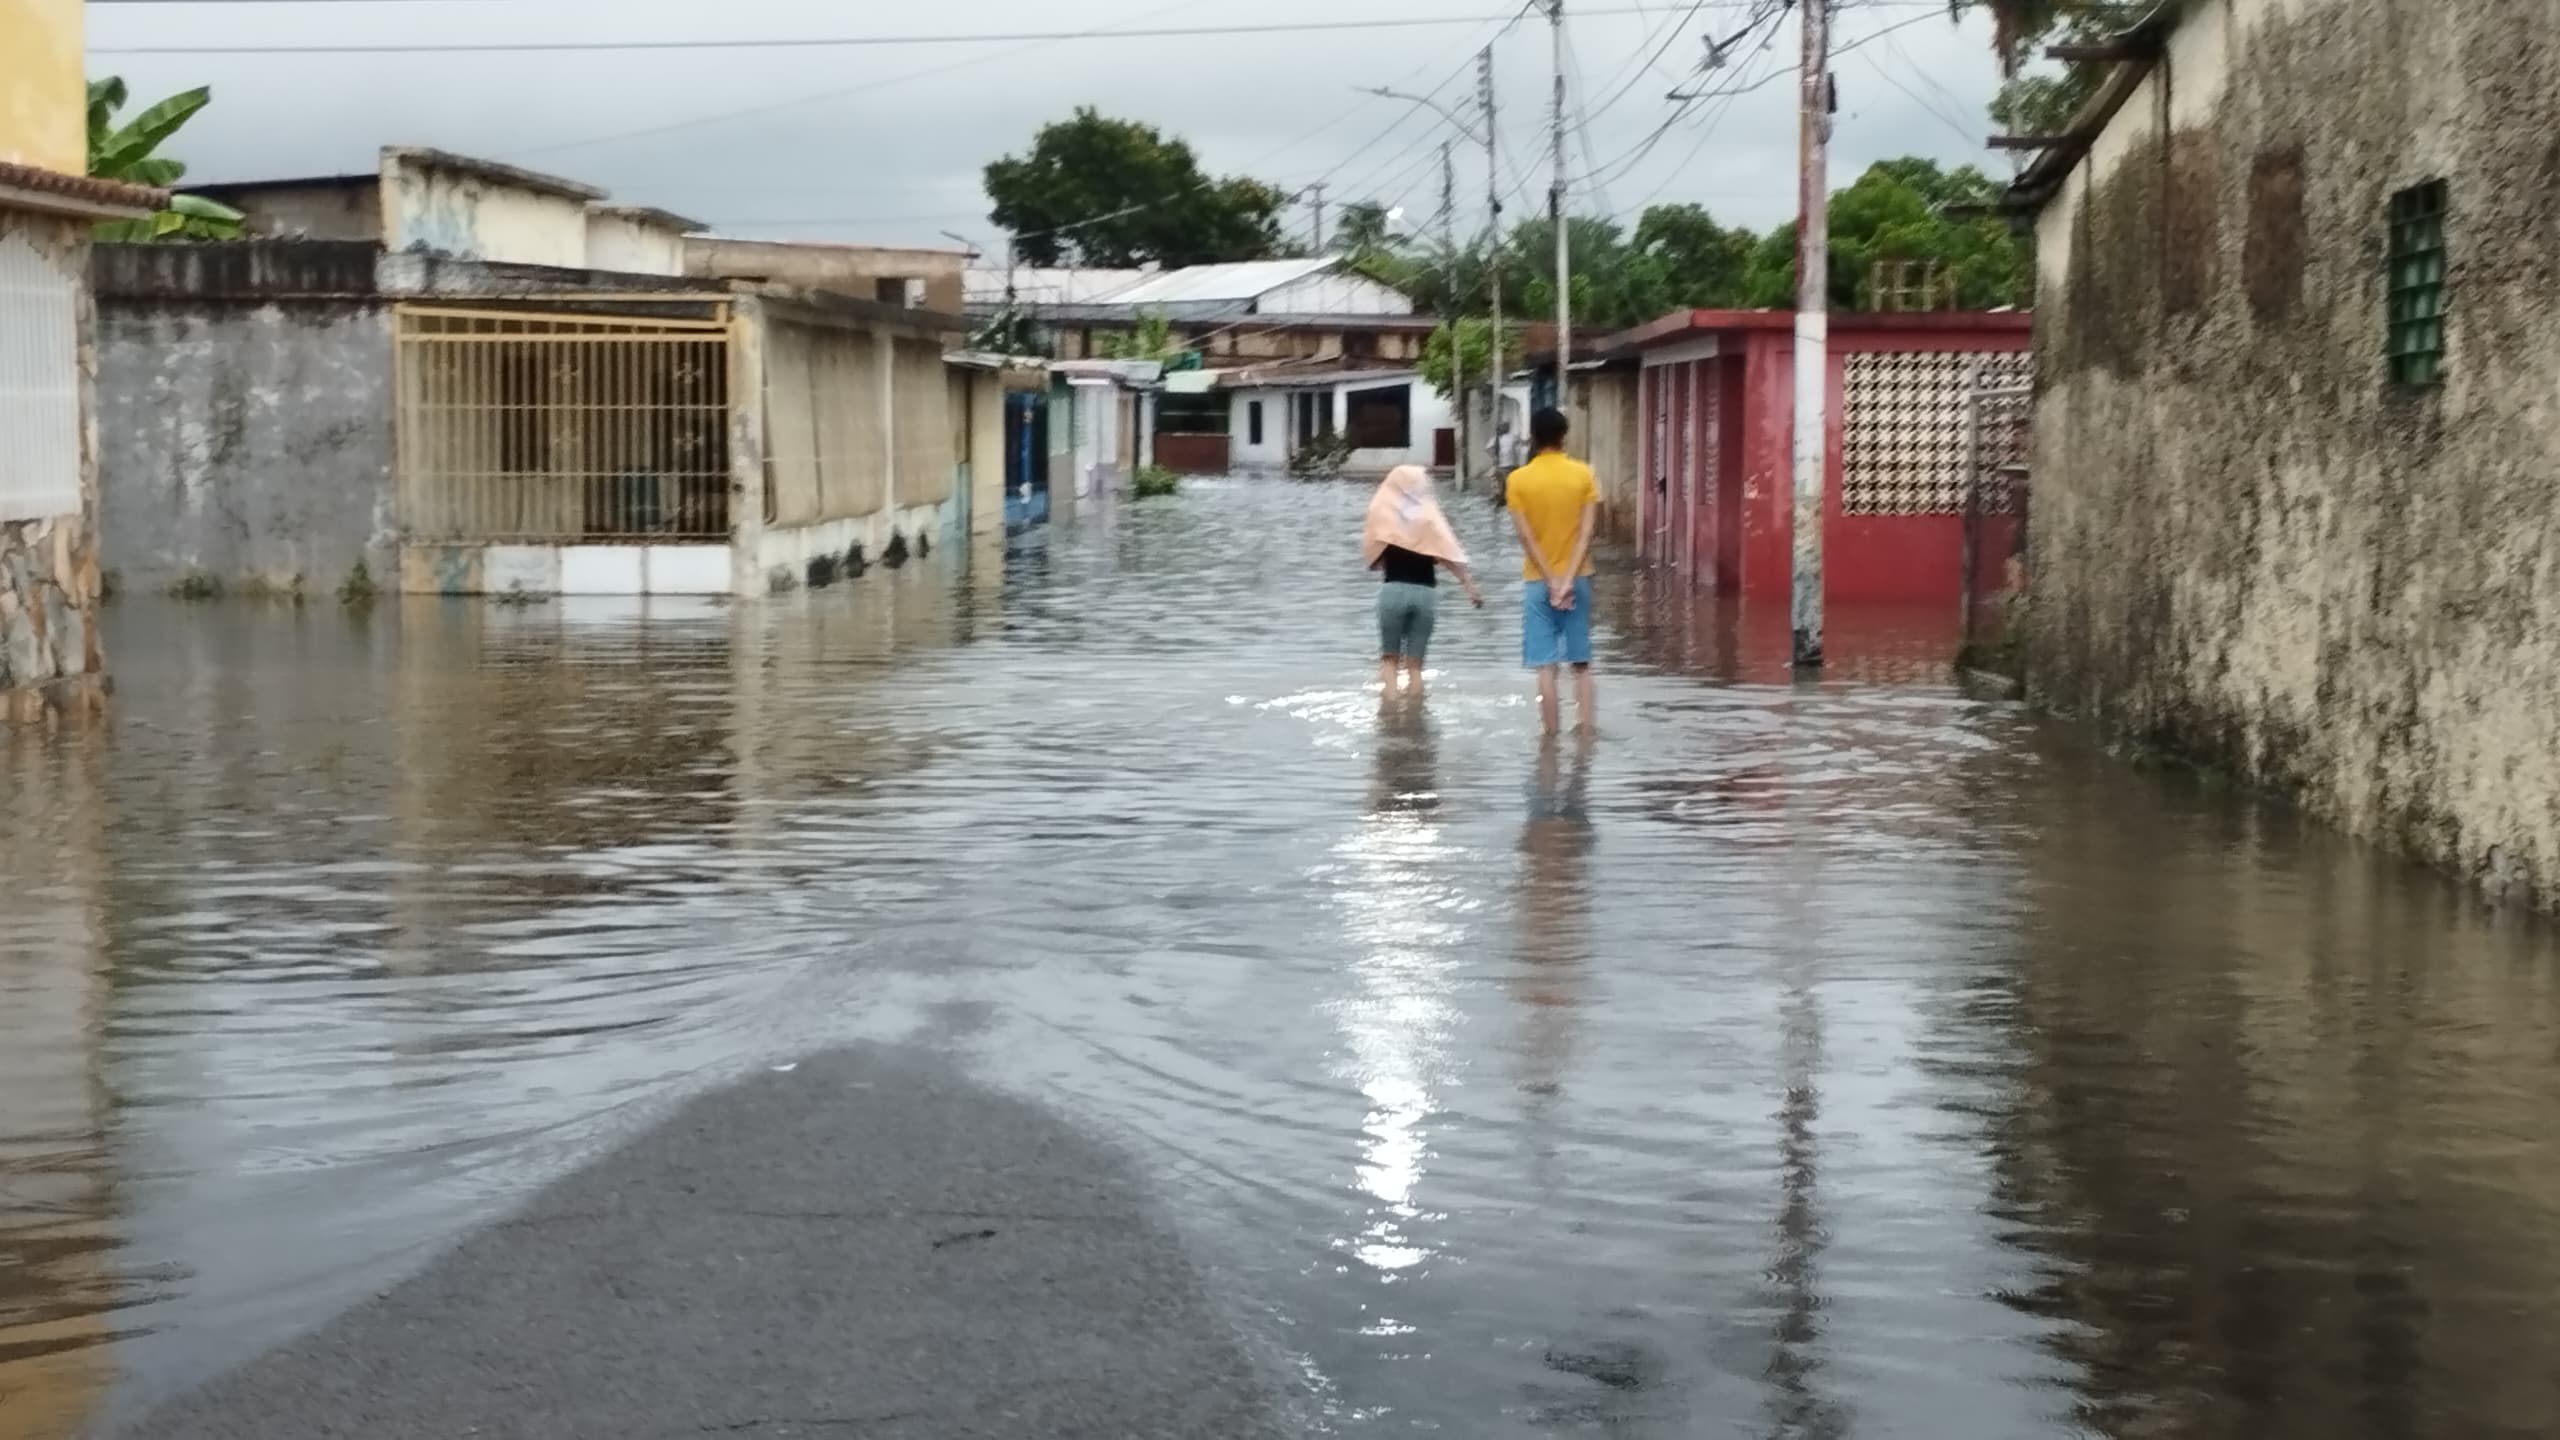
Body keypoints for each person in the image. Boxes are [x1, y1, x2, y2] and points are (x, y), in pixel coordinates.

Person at [1505, 407, 1598, 734]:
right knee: (1581, 664)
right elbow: (1586, 534)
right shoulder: (1583, 474)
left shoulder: (1518, 480)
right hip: (1579, 581)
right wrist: (1568, 580)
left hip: (1537, 583)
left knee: (1546, 666)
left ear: (1533, 436)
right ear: (1564, 436)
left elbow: (1526, 537)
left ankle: (1549, 738)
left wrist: (1551, 581)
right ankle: (1586, 733)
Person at [1361, 464, 1483, 699]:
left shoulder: (1384, 513)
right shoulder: (1429, 517)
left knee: (1389, 661)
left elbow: (1373, 559)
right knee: (1415, 666)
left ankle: (1391, 715)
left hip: (1393, 591)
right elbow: (1446, 555)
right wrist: (1469, 585)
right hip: (1425, 594)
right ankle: (1415, 719)